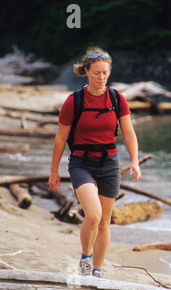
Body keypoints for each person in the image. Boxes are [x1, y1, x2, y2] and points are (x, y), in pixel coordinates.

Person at [48, 47, 141, 277]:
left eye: (105, 73)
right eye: (96, 73)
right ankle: (85, 258)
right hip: (81, 163)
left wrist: (135, 161)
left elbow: (129, 133)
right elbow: (60, 138)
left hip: (109, 163)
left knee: (104, 222)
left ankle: (97, 271)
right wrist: (53, 171)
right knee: (94, 214)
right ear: (87, 72)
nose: (101, 78)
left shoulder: (117, 98)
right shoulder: (74, 101)